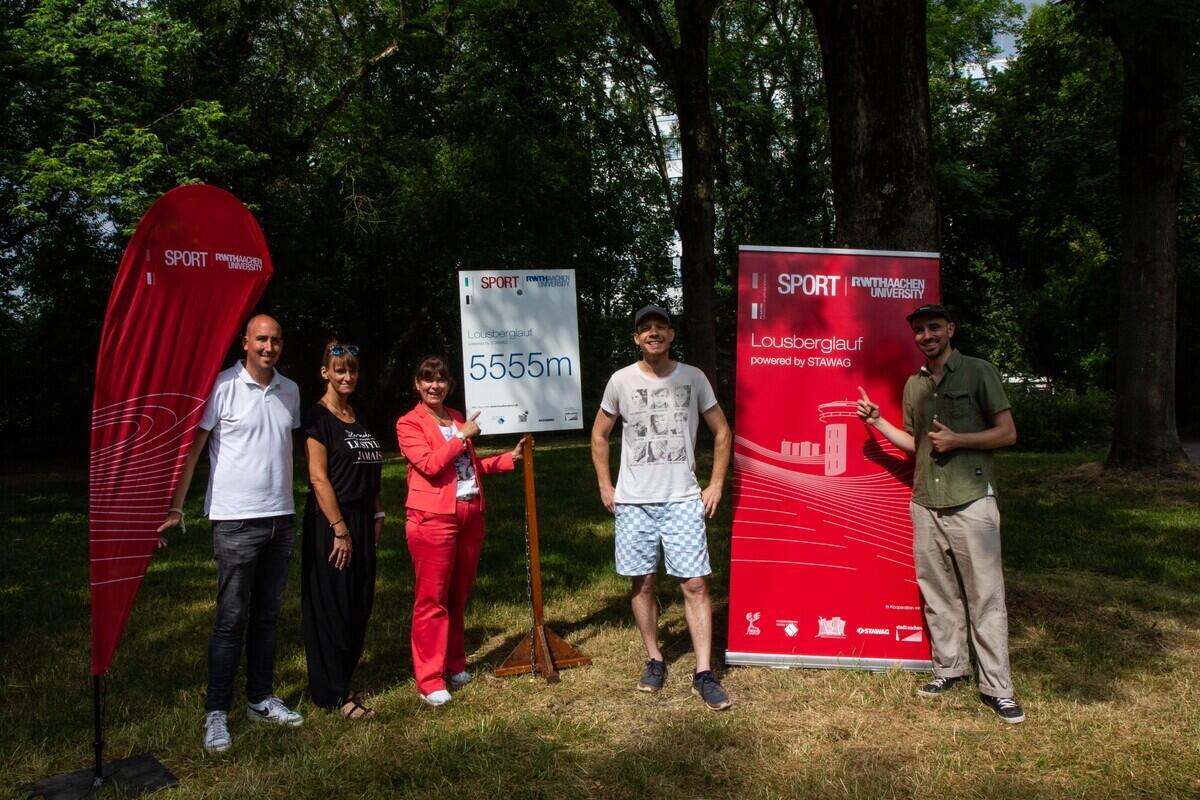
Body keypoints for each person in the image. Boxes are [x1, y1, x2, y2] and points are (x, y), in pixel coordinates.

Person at [855, 303, 1024, 724]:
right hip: (926, 502)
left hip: (972, 500)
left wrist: (959, 440)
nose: (927, 335)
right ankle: (949, 670)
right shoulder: (915, 385)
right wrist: (878, 423)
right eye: (919, 330)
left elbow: (1007, 433)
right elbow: (918, 445)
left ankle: (998, 689)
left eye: (934, 327)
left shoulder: (979, 371)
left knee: (986, 597)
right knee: (938, 594)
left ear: (951, 329)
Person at [157, 314, 304, 754]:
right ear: (245, 342)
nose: (268, 347)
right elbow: (193, 450)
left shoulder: (290, 390)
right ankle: (217, 712)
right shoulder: (221, 386)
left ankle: (260, 699)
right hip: (236, 520)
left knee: (267, 617)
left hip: (281, 518)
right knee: (230, 619)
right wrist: (175, 506)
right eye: (261, 339)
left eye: (275, 340)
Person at [590, 304, 733, 711]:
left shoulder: (693, 377)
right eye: (646, 328)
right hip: (634, 501)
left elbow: (722, 432)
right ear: (636, 338)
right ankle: (654, 658)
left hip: (683, 498)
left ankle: (703, 672)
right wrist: (605, 484)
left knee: (695, 584)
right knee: (643, 583)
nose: (653, 333)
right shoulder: (621, 381)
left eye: (661, 327)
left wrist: (716, 483)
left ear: (671, 335)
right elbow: (599, 435)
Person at [394, 355, 521, 706]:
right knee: (432, 600)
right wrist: (461, 437)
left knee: (457, 596)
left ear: (449, 384)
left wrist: (508, 459)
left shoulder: (456, 417)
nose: (434, 385)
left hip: (469, 513)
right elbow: (430, 464)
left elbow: (468, 466)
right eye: (427, 378)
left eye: (441, 379)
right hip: (433, 518)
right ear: (417, 384)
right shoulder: (409, 423)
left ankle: (455, 663)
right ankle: (430, 679)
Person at [300, 341, 384, 719]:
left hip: (363, 520)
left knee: (358, 603)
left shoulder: (353, 414)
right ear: (325, 373)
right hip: (333, 522)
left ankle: (342, 677)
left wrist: (377, 514)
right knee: (332, 607)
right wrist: (340, 529)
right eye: (340, 370)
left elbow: (368, 470)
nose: (347, 376)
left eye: (352, 370)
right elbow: (318, 478)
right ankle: (332, 694)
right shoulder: (318, 418)